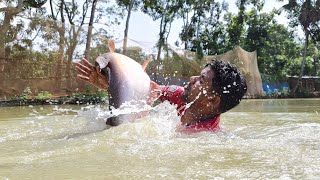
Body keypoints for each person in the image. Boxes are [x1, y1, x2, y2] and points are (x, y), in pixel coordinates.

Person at [75, 58, 247, 133]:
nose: (192, 79)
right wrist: (110, 84)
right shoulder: (178, 94)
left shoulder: (205, 135)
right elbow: (143, 92)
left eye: (201, 81)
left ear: (212, 99)